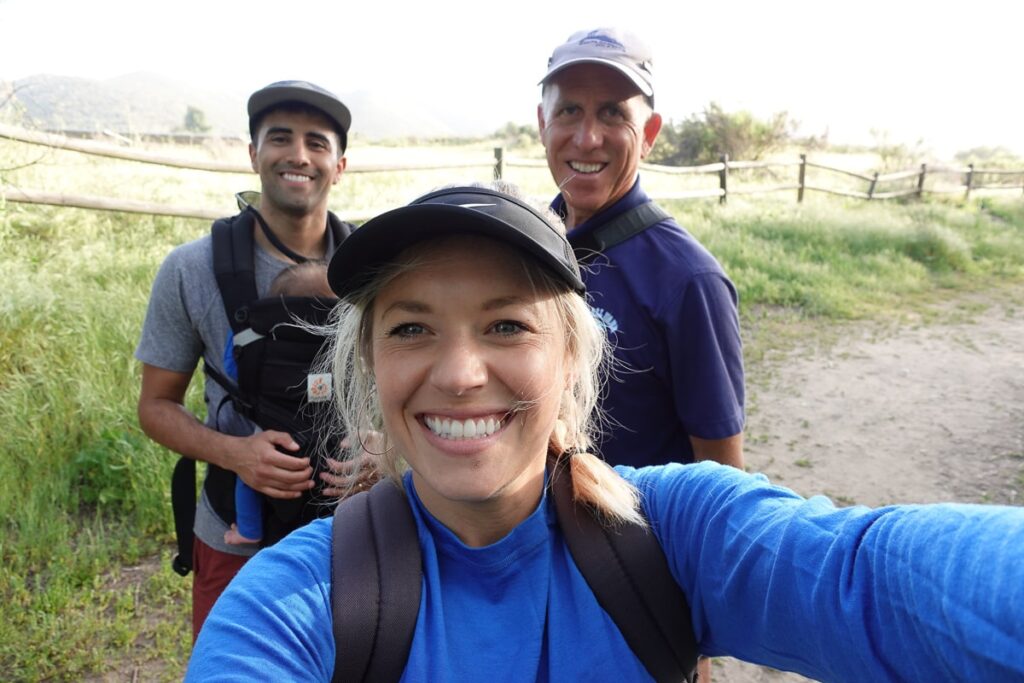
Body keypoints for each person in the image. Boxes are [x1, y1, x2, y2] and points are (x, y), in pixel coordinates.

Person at [185, 184, 1024, 682]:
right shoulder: (295, 603)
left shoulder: (670, 534)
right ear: (369, 363)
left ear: (571, 359)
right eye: (411, 328)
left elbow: (865, 573)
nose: (460, 371)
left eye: (507, 325)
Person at [136, 80, 355, 639]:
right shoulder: (191, 270)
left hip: (356, 529)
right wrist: (235, 453)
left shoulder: (374, 267)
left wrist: (386, 449)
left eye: (317, 142)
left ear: (341, 163)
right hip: (237, 534)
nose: (299, 155)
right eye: (279, 138)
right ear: (254, 154)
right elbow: (155, 407)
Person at [537, 28, 745, 470]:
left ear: (649, 134)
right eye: (570, 110)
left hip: (634, 536)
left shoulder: (689, 281)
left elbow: (722, 475)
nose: (588, 138)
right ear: (542, 123)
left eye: (612, 114)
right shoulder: (527, 245)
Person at [223, 260, 334, 546]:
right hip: (332, 433)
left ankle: (249, 530)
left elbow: (232, 369)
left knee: (248, 475)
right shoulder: (343, 339)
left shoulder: (255, 338)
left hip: (274, 433)